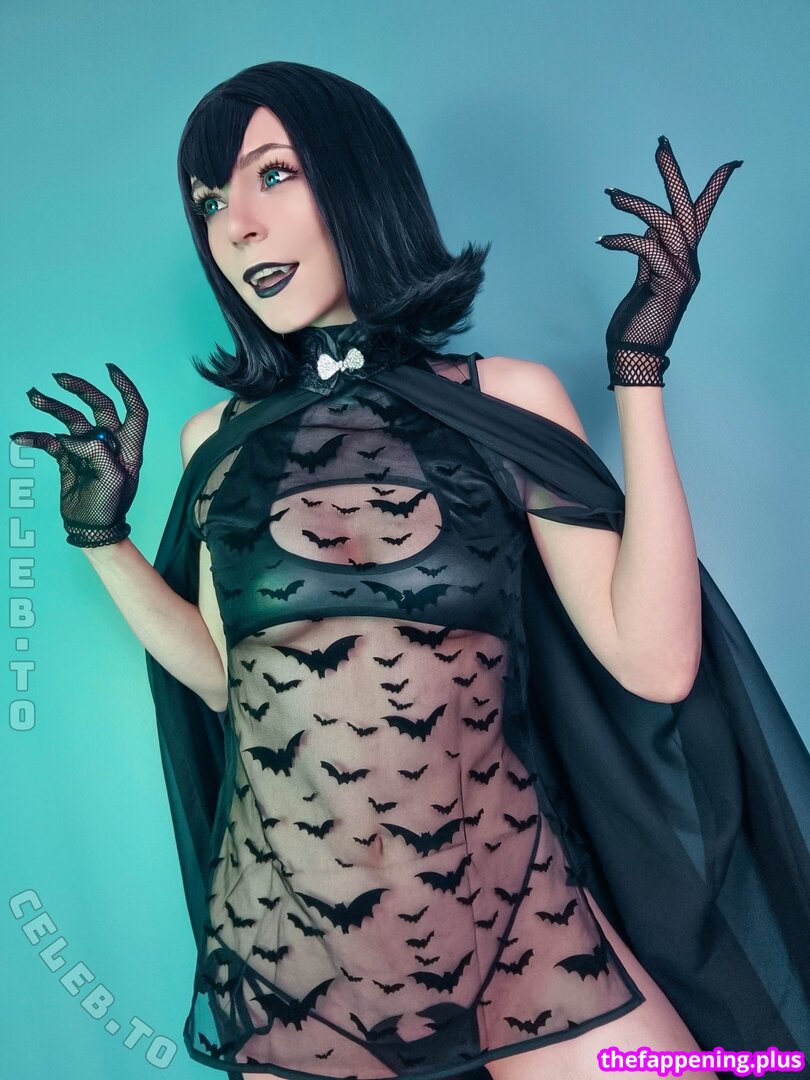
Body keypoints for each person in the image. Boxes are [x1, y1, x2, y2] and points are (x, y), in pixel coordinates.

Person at [10, 62, 810, 1080]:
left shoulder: (505, 399)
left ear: (357, 180)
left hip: (515, 914)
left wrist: (638, 372)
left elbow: (654, 663)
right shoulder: (216, 441)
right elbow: (228, 682)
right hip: (298, 952)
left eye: (273, 175)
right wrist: (101, 539)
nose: (236, 227)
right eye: (210, 203)